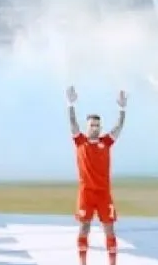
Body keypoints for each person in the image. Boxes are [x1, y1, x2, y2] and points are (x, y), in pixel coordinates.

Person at [66, 85, 127, 265]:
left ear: (100, 127)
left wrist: (122, 108)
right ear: (87, 127)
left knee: (109, 229)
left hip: (103, 193)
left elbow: (119, 127)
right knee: (84, 227)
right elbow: (72, 124)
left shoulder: (106, 142)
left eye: (97, 125)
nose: (95, 128)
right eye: (92, 125)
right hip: (86, 193)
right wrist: (70, 104)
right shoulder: (80, 141)